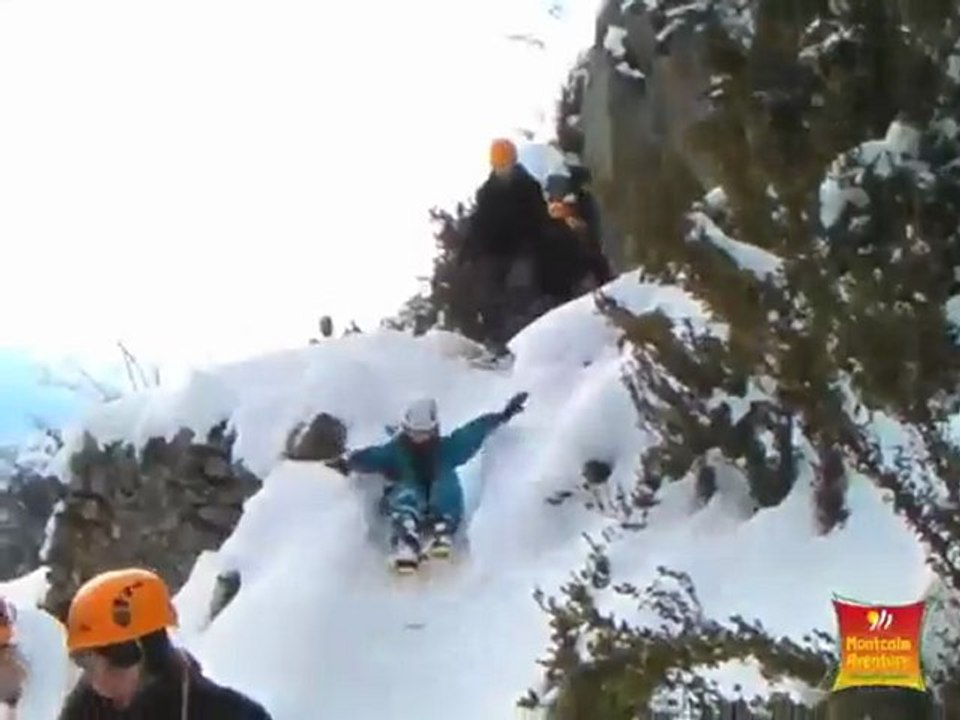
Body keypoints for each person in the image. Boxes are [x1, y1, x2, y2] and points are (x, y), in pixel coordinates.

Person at [326, 392, 529, 570]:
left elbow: (471, 434)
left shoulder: (445, 449)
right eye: (414, 432)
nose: (418, 437)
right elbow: (372, 457)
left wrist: (502, 416)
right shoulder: (395, 451)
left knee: (446, 481)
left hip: (439, 508)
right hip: (408, 504)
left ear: (434, 430)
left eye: (424, 433)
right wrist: (348, 462)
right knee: (407, 490)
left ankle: (442, 529)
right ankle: (406, 538)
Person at [58, 567, 273, 720]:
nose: (99, 684)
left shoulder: (231, 714)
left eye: (113, 664)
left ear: (150, 653)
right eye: (85, 664)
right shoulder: (85, 709)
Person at [458, 139, 551, 355]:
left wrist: (539, 243)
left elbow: (540, 219)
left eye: (506, 164)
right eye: (499, 165)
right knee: (490, 297)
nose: (503, 169)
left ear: (514, 162)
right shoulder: (487, 192)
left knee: (521, 294)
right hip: (495, 252)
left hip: (524, 250)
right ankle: (498, 344)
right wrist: (467, 251)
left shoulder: (529, 187)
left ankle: (525, 346)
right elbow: (478, 224)